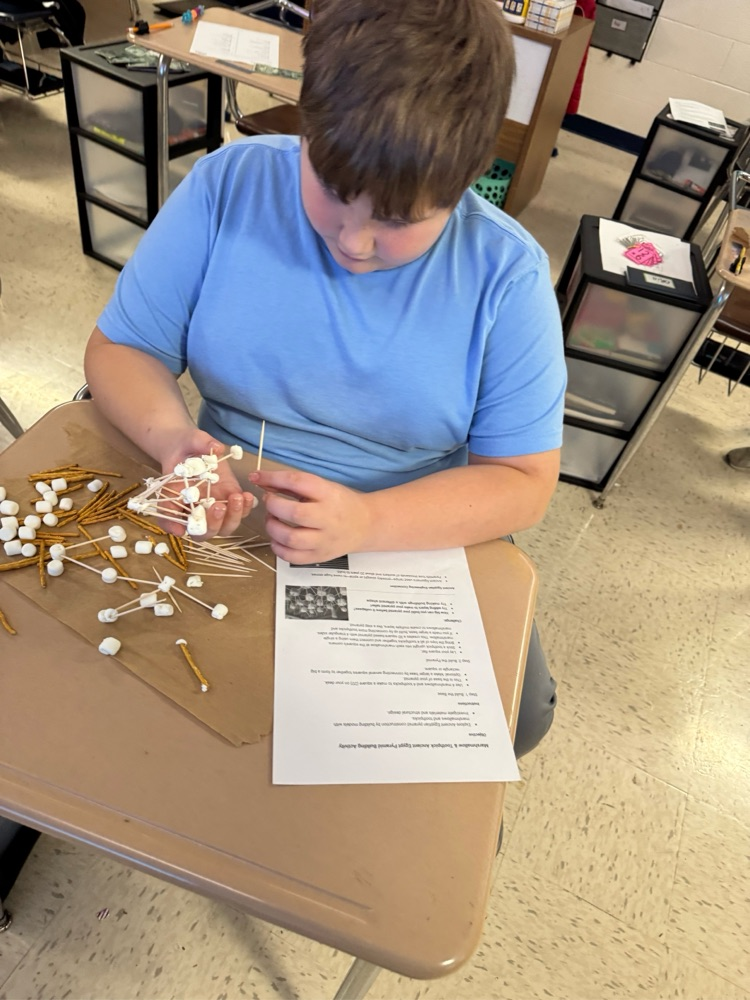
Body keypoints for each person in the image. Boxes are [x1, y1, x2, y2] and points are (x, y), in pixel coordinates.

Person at [84, 0, 566, 759]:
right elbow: (123, 348)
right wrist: (174, 440)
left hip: (404, 527)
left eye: (399, 219)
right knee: (146, 689)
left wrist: (368, 523)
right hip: (231, 507)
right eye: (333, 192)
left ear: (467, 182)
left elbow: (522, 481)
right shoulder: (228, 187)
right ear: (304, 127)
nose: (355, 241)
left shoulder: (507, 277)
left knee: (515, 714)